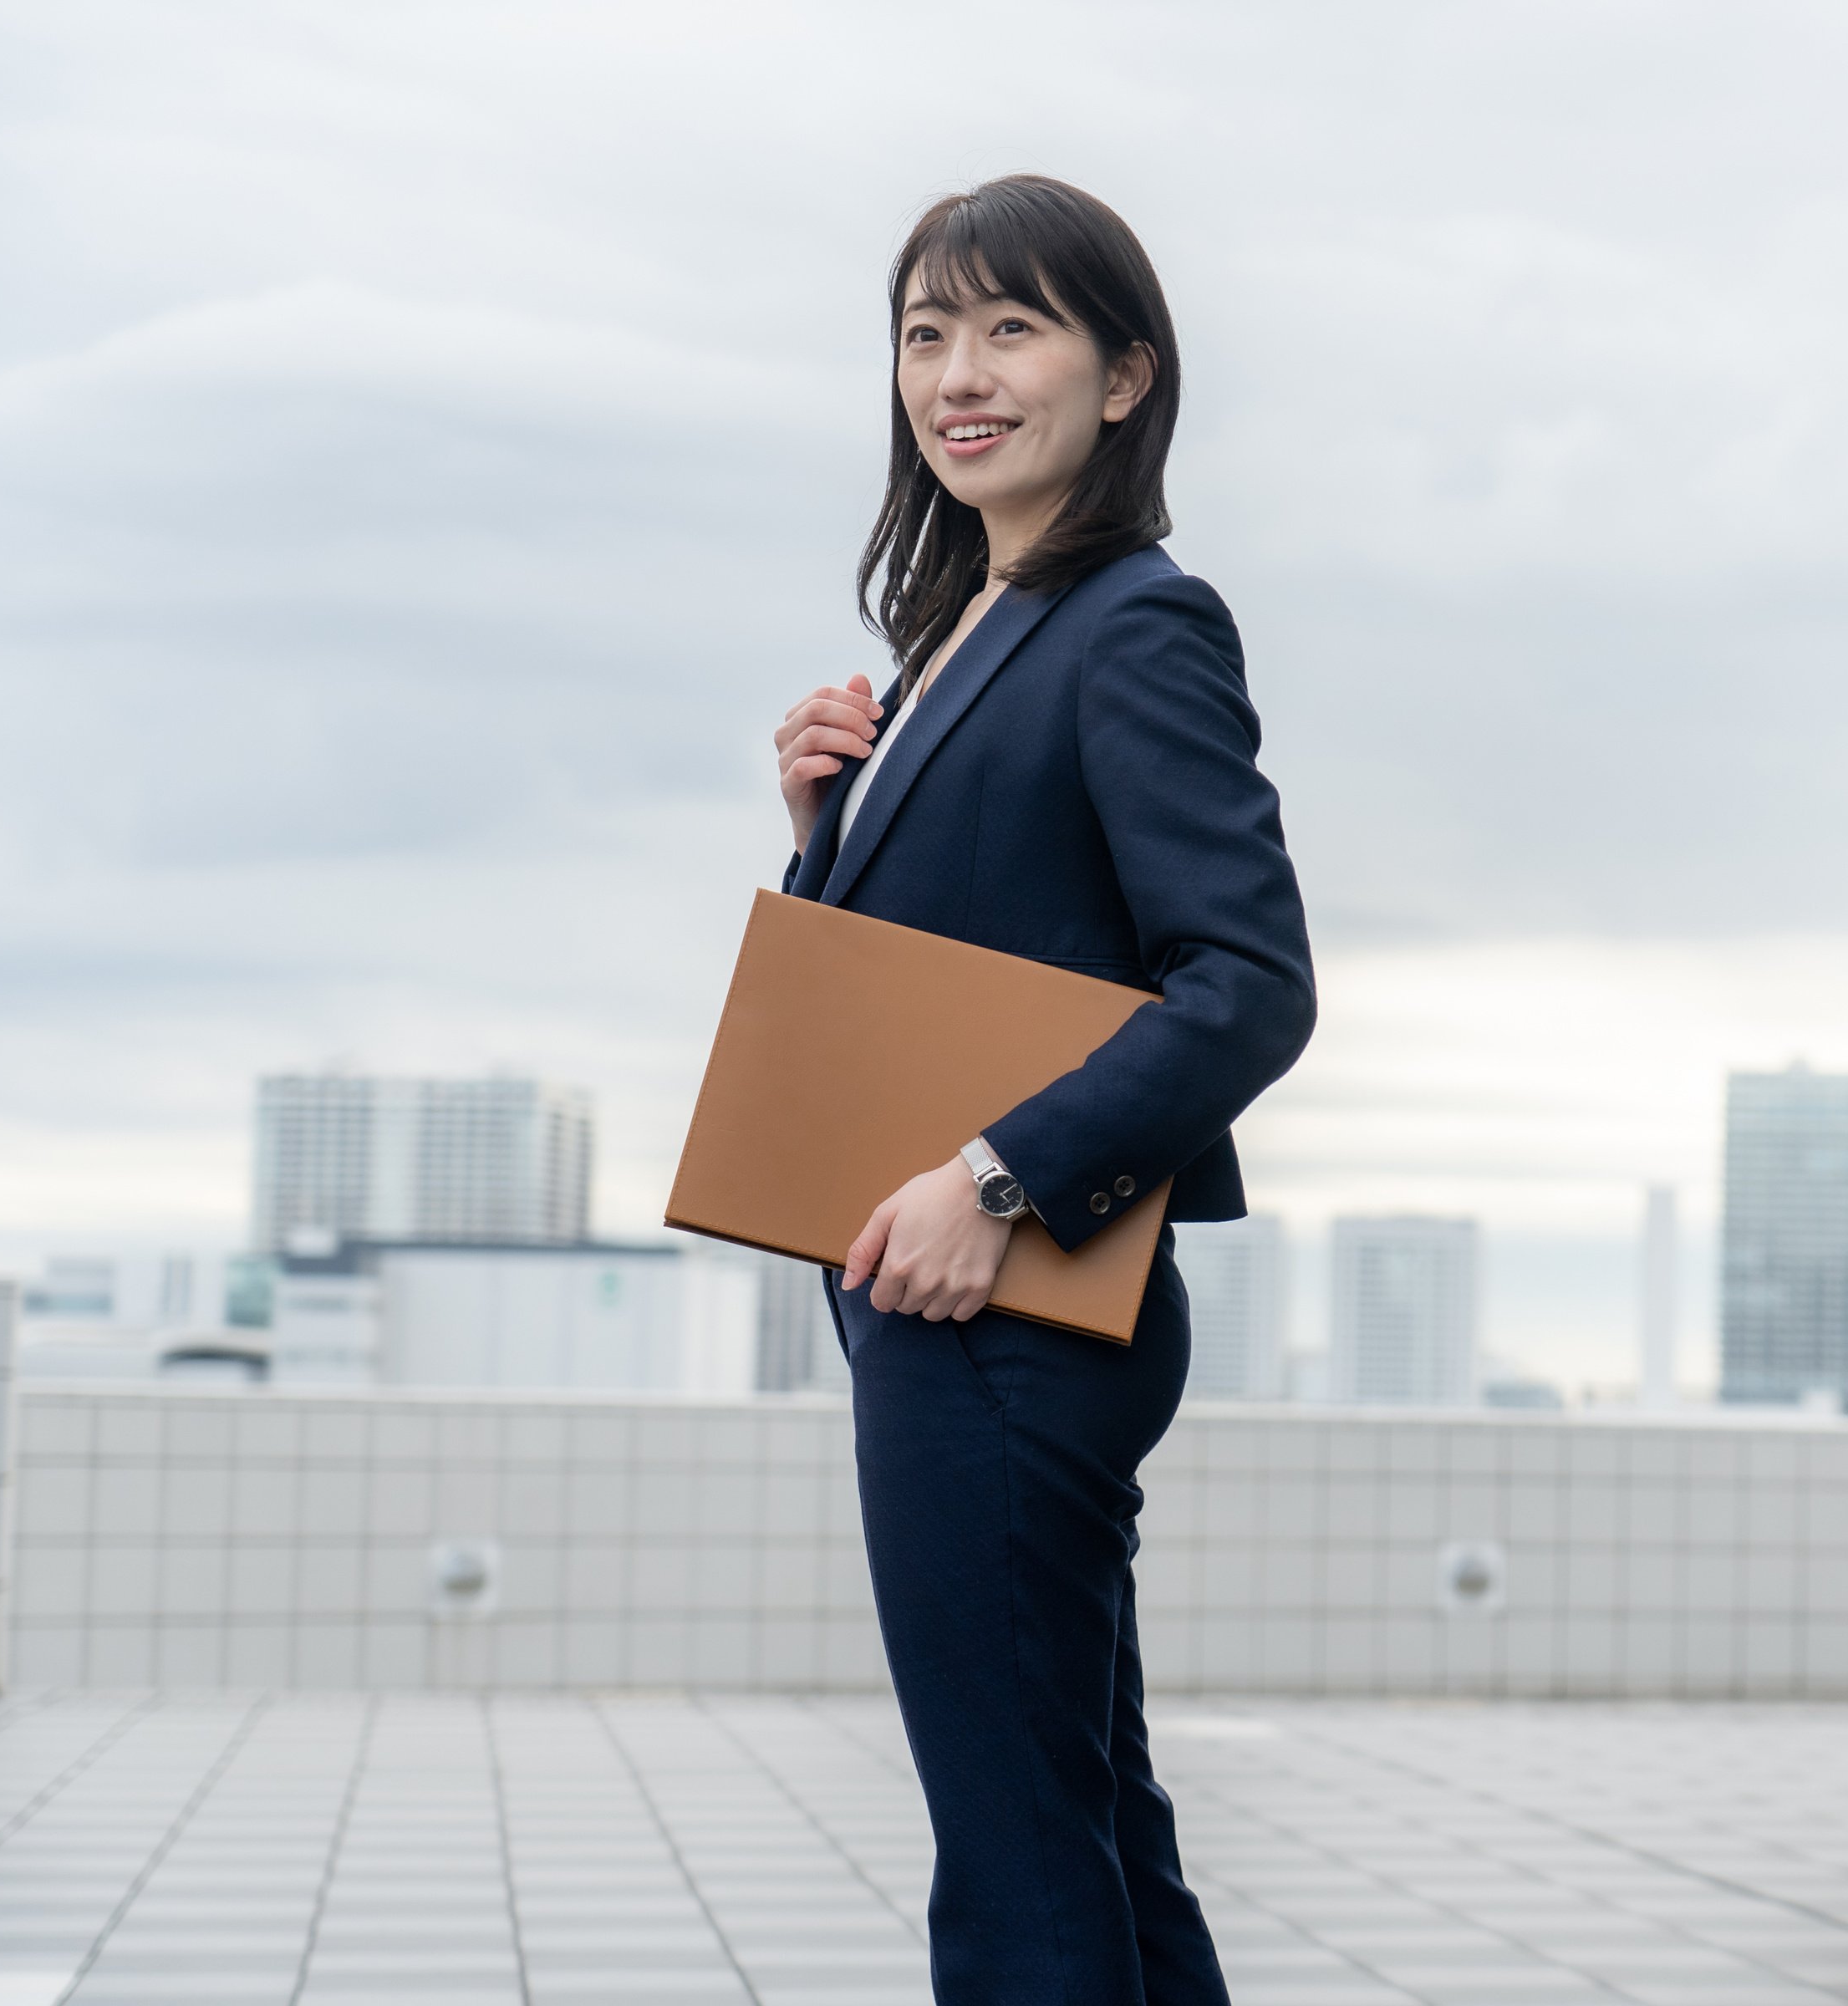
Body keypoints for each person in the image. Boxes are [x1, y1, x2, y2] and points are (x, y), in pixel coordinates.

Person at [767, 174, 1313, 2005]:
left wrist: (998, 1176)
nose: (959, 373)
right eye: (927, 333)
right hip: (943, 1312)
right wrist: (821, 831)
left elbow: (1247, 986)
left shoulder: (1136, 621)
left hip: (1011, 1306)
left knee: (1016, 1871)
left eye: (1012, 327)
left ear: (1128, 376)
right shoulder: (955, 644)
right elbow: (963, 949)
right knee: (1089, 1831)